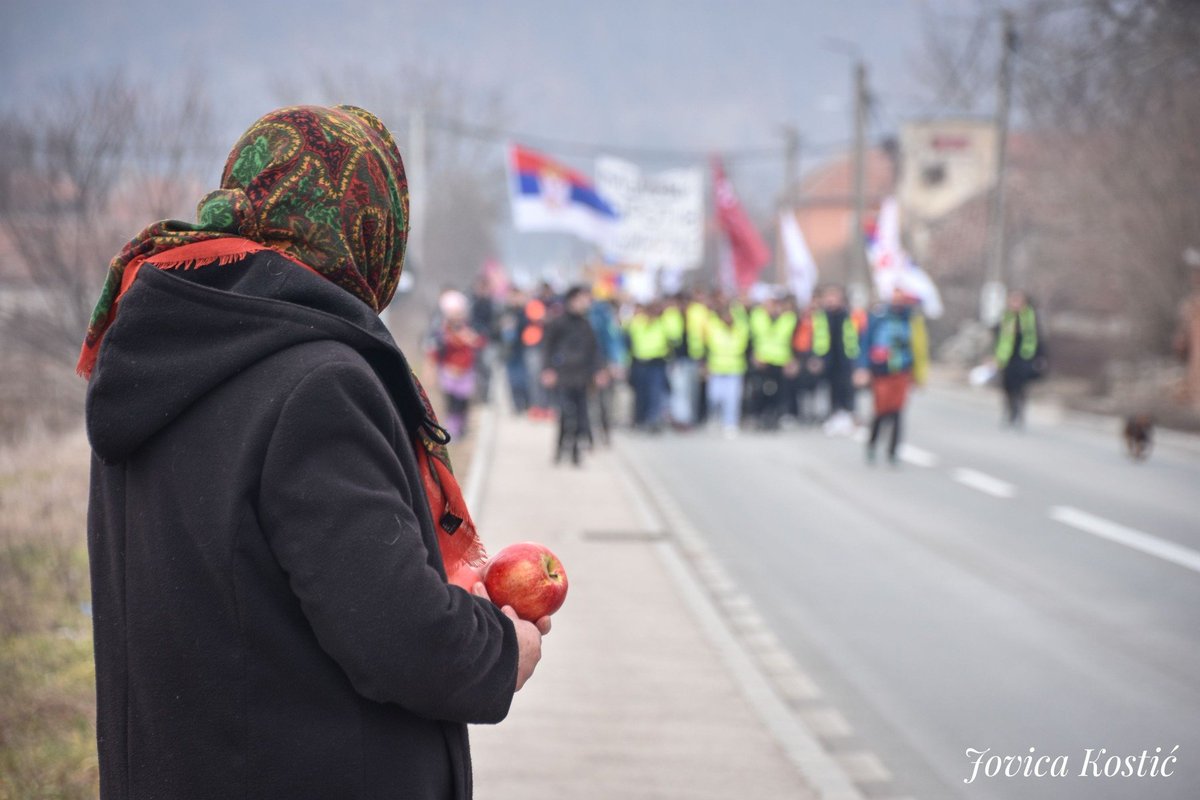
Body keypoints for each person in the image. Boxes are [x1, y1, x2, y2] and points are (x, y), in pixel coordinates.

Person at [77, 105, 548, 800]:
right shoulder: (319, 383)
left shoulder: (157, 355)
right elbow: (399, 639)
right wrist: (501, 650)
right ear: (367, 227)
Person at [857, 288, 929, 464]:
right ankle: (872, 444)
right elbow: (866, 343)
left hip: (902, 370)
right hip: (881, 371)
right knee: (881, 410)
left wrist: (920, 376)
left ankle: (893, 451)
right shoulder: (878, 317)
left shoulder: (912, 320)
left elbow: (920, 349)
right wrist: (863, 368)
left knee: (897, 411)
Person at [542, 285, 606, 465]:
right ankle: (560, 447)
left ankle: (576, 451)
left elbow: (594, 351)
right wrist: (548, 370)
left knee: (581, 415)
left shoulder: (586, 324)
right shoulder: (558, 323)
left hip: (582, 376)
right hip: (563, 375)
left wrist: (598, 371)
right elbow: (547, 347)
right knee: (565, 414)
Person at [430, 289, 484, 439]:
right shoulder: (441, 331)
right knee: (451, 404)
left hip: (465, 371)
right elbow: (435, 350)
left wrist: (470, 338)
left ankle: (462, 429)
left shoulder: (470, 328)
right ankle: (451, 431)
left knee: (463, 404)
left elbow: (479, 343)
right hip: (449, 372)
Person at [811, 285, 862, 435]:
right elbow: (817, 338)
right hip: (828, 359)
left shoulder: (850, 315)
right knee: (830, 390)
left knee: (847, 390)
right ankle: (833, 417)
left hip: (846, 358)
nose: (831, 300)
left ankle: (847, 417)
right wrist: (816, 357)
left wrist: (858, 362)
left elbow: (858, 336)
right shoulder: (821, 316)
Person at [993, 290, 1044, 427]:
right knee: (1007, 386)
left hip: (1024, 356)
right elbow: (997, 337)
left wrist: (1040, 358)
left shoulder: (1030, 317)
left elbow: (1038, 338)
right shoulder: (1006, 317)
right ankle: (1009, 411)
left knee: (1021, 387)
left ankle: (1019, 412)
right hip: (1006, 357)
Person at [748, 294, 798, 430]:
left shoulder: (788, 318)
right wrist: (754, 355)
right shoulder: (757, 316)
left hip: (780, 360)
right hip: (762, 360)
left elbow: (793, 341)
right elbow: (751, 338)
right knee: (760, 390)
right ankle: (759, 416)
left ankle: (774, 416)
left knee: (778, 391)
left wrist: (792, 360)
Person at [704, 300, 751, 438]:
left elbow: (744, 321)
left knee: (732, 399)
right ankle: (715, 417)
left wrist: (736, 306)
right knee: (714, 397)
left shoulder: (740, 329)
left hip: (734, 369)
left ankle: (730, 423)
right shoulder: (714, 327)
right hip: (716, 368)